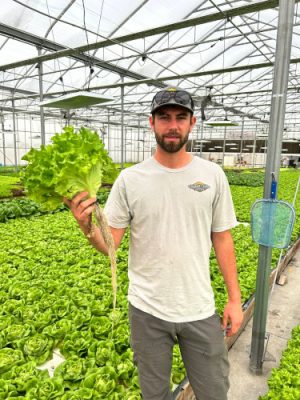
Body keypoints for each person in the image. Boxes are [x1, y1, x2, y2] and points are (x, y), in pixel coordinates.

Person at [65, 87, 244, 400]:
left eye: (180, 117)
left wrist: (233, 298)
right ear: (152, 122)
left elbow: (223, 238)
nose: (172, 125)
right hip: (147, 310)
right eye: (164, 117)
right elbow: (112, 244)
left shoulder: (212, 175)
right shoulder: (130, 179)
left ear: (192, 123)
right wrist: (88, 228)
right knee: (154, 394)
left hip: (198, 307)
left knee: (214, 391)